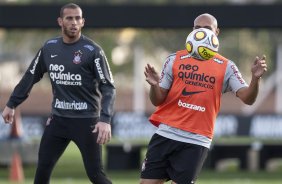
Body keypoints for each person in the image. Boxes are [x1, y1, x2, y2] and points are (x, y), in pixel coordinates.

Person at [140, 13, 267, 184]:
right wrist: (154, 85)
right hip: (165, 134)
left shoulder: (226, 66)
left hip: (196, 140)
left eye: (207, 29)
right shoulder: (174, 59)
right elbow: (157, 100)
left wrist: (255, 79)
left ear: (217, 32)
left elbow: (248, 98)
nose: (201, 32)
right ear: (192, 31)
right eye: (197, 28)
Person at [1, 3, 115, 184]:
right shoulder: (49, 48)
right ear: (60, 21)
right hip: (58, 121)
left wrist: (105, 119)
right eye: (69, 18)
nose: (74, 22)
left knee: (96, 175)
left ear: (83, 22)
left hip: (87, 122)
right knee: (42, 172)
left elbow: (108, 87)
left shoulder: (93, 51)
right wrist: (11, 104)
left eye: (78, 18)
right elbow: (30, 76)